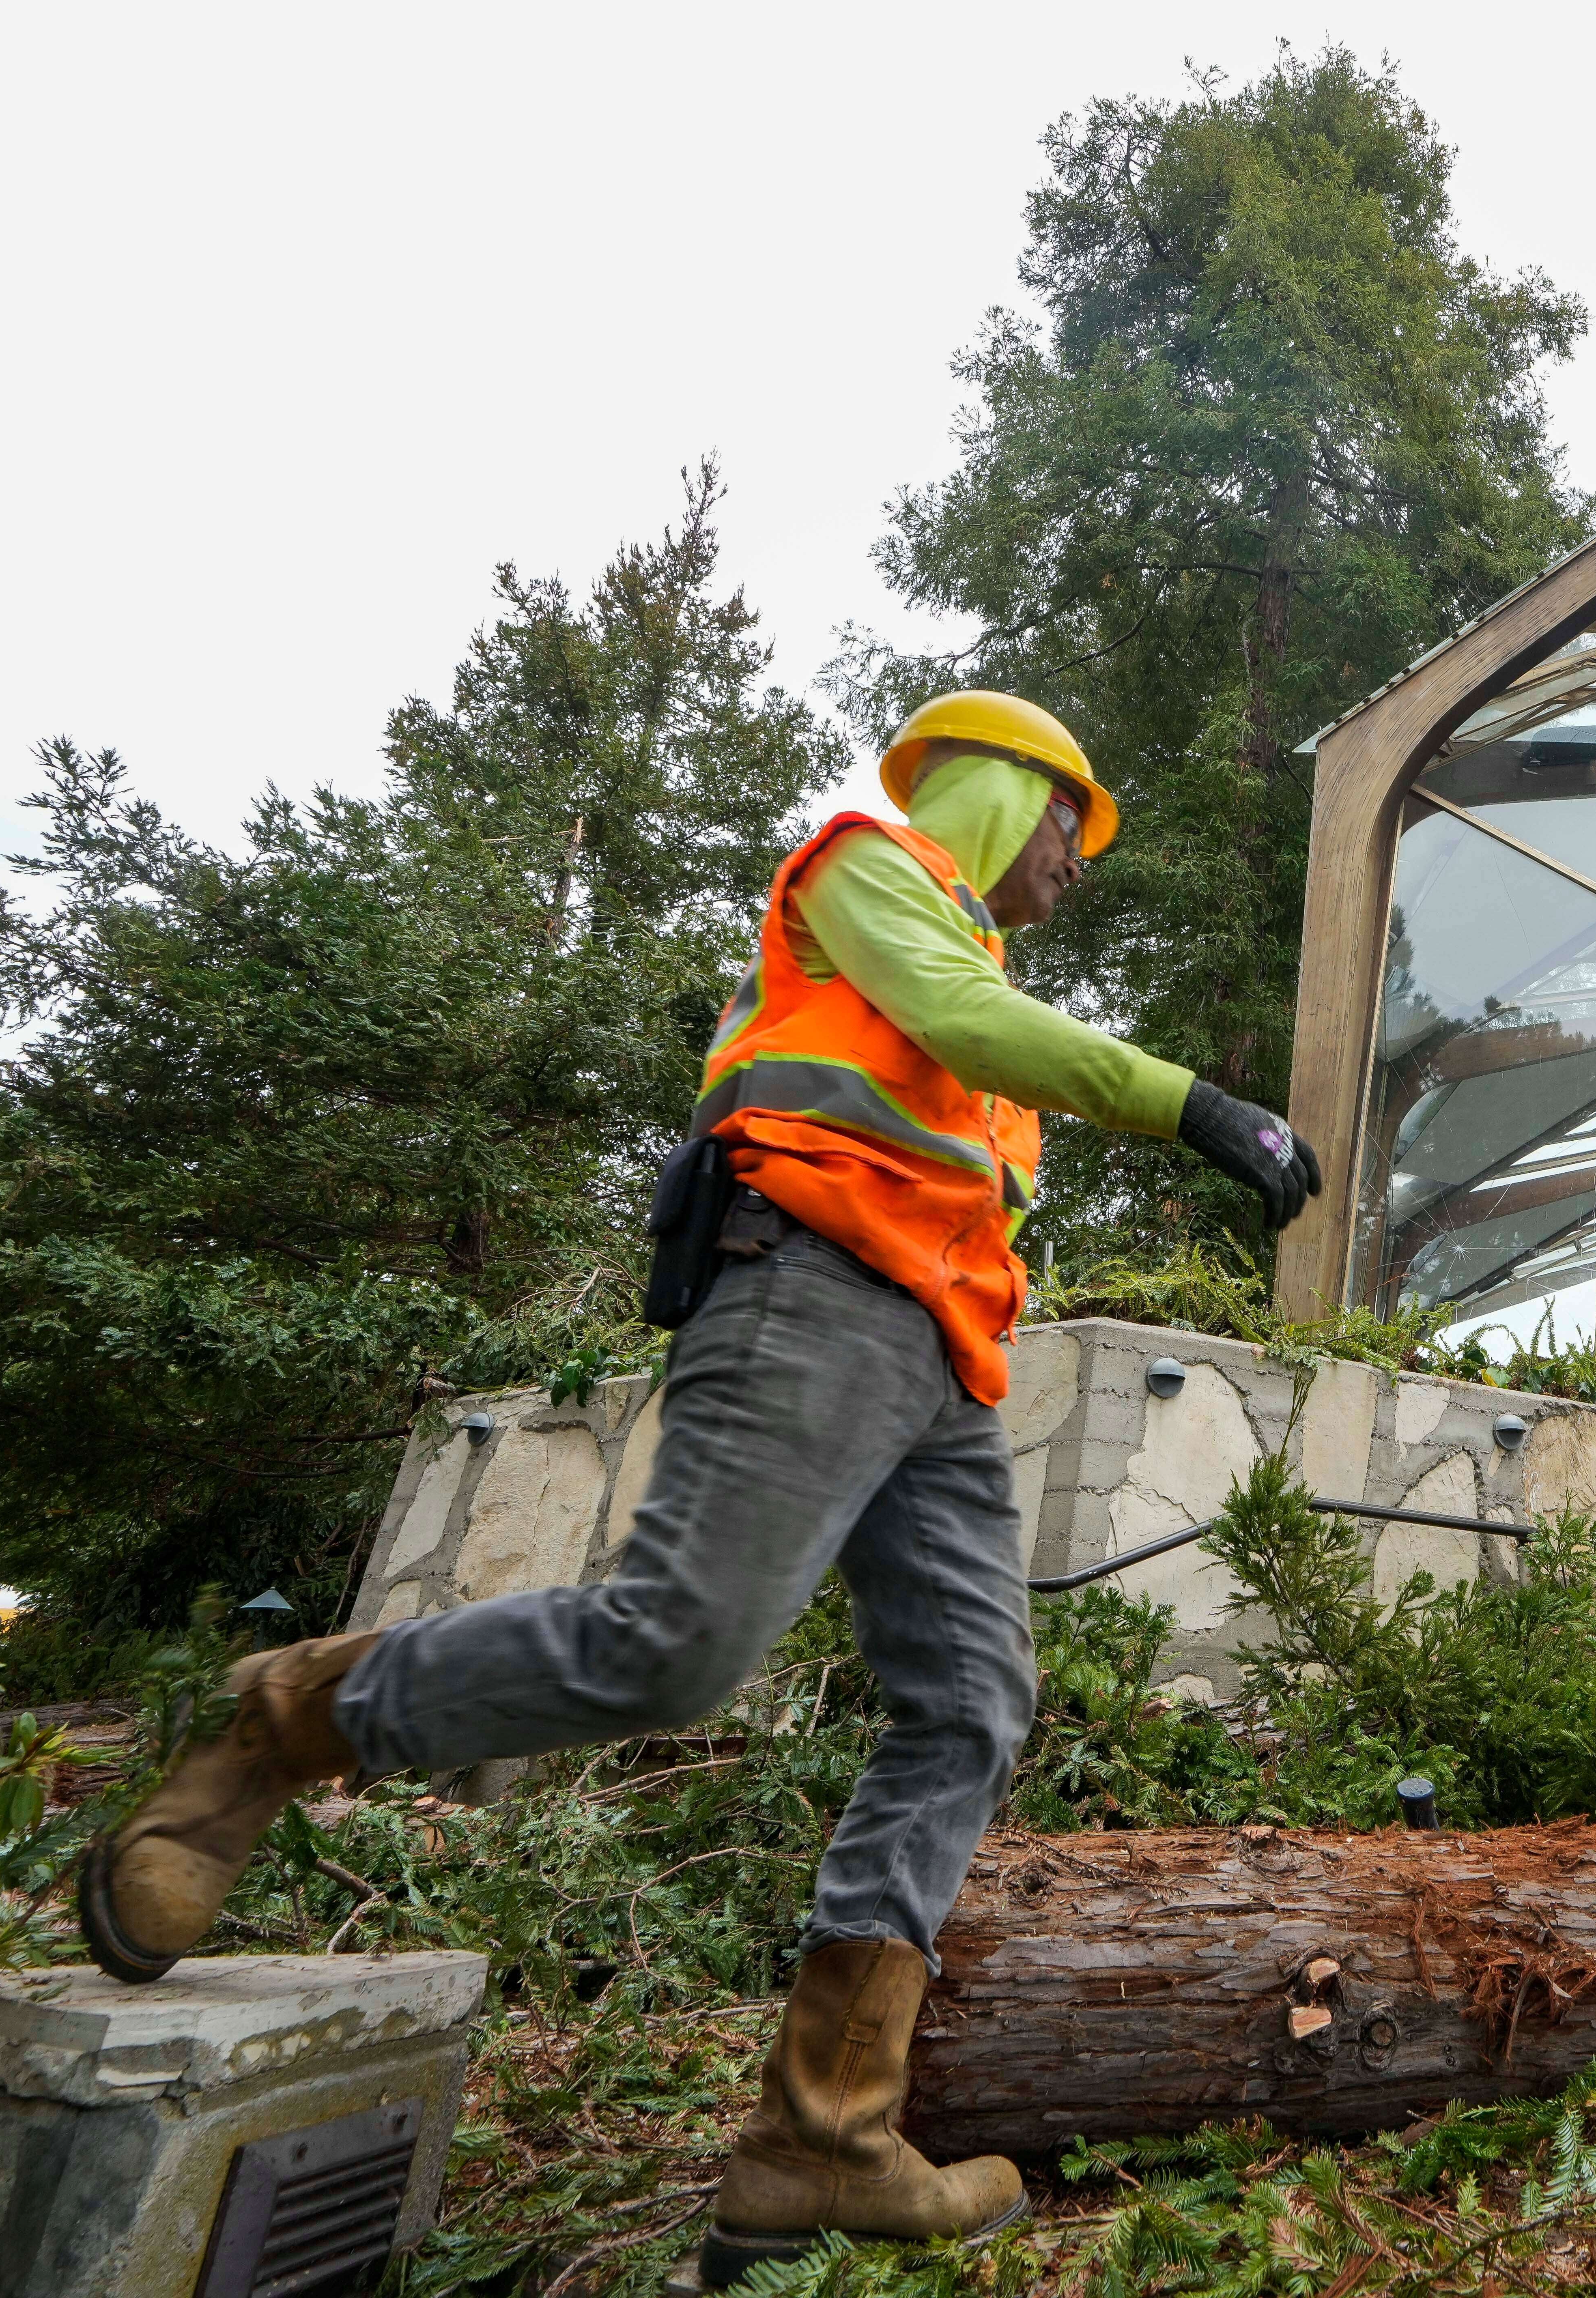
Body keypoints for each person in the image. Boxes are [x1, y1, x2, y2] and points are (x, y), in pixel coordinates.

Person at [75, 692, 1320, 2283]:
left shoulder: (989, 994)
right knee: (673, 1648)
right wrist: (1194, 1103)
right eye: (1073, 818)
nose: (1082, 859)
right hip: (805, 1294)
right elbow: (954, 1022)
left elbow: (965, 1092)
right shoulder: (871, 874)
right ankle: (287, 1722)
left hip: (937, 1361)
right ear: (1005, 793)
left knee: (971, 1703)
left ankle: (820, 2142)